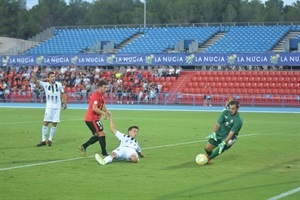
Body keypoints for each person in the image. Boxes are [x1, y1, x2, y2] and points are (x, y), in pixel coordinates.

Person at [33, 66, 67, 147]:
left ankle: (50, 140)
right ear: (48, 78)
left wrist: (65, 103)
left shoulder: (59, 85)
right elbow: (36, 81)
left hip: (57, 107)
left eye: (54, 76)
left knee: (54, 124)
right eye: (51, 77)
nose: (53, 78)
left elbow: (63, 94)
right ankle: (43, 140)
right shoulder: (45, 85)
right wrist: (34, 73)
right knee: (45, 123)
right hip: (49, 107)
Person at [79, 79, 111, 157]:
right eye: (104, 87)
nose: (105, 89)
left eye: (106, 88)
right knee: (102, 134)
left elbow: (102, 105)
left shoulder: (101, 96)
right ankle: (104, 153)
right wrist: (103, 114)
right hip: (92, 118)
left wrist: (107, 111)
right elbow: (94, 108)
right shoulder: (96, 95)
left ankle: (84, 146)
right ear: (99, 87)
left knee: (98, 135)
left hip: (94, 118)